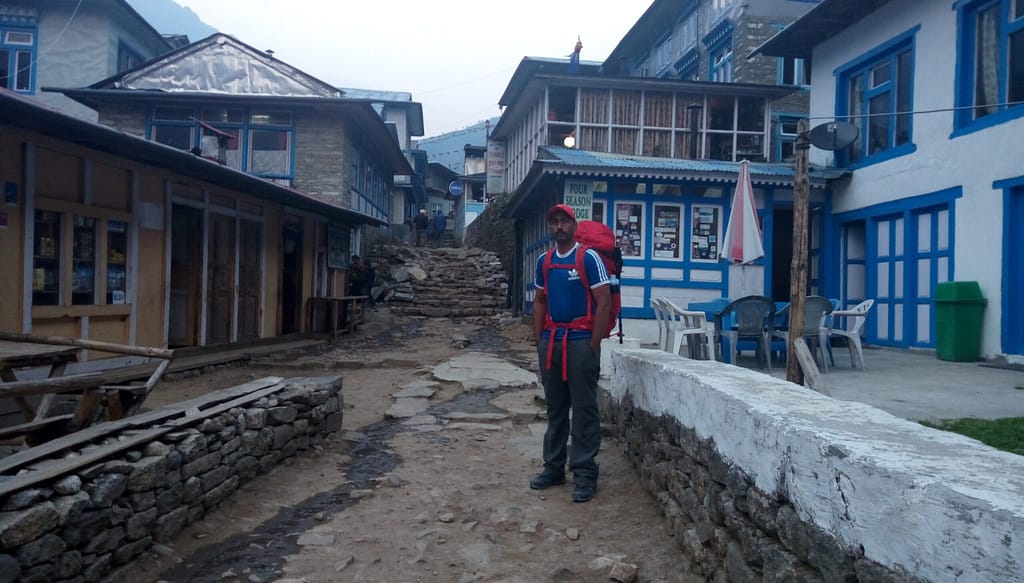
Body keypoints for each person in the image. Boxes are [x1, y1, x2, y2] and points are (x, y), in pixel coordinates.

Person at [530, 204, 611, 503]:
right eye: (554, 222)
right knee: (555, 407)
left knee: (585, 409)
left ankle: (585, 474)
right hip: (552, 340)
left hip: (581, 341)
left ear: (574, 225)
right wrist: (539, 339)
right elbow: (540, 300)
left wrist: (594, 343)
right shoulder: (545, 261)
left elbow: (603, 301)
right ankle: (553, 468)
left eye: (564, 221)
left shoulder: (589, 258)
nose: (559, 226)